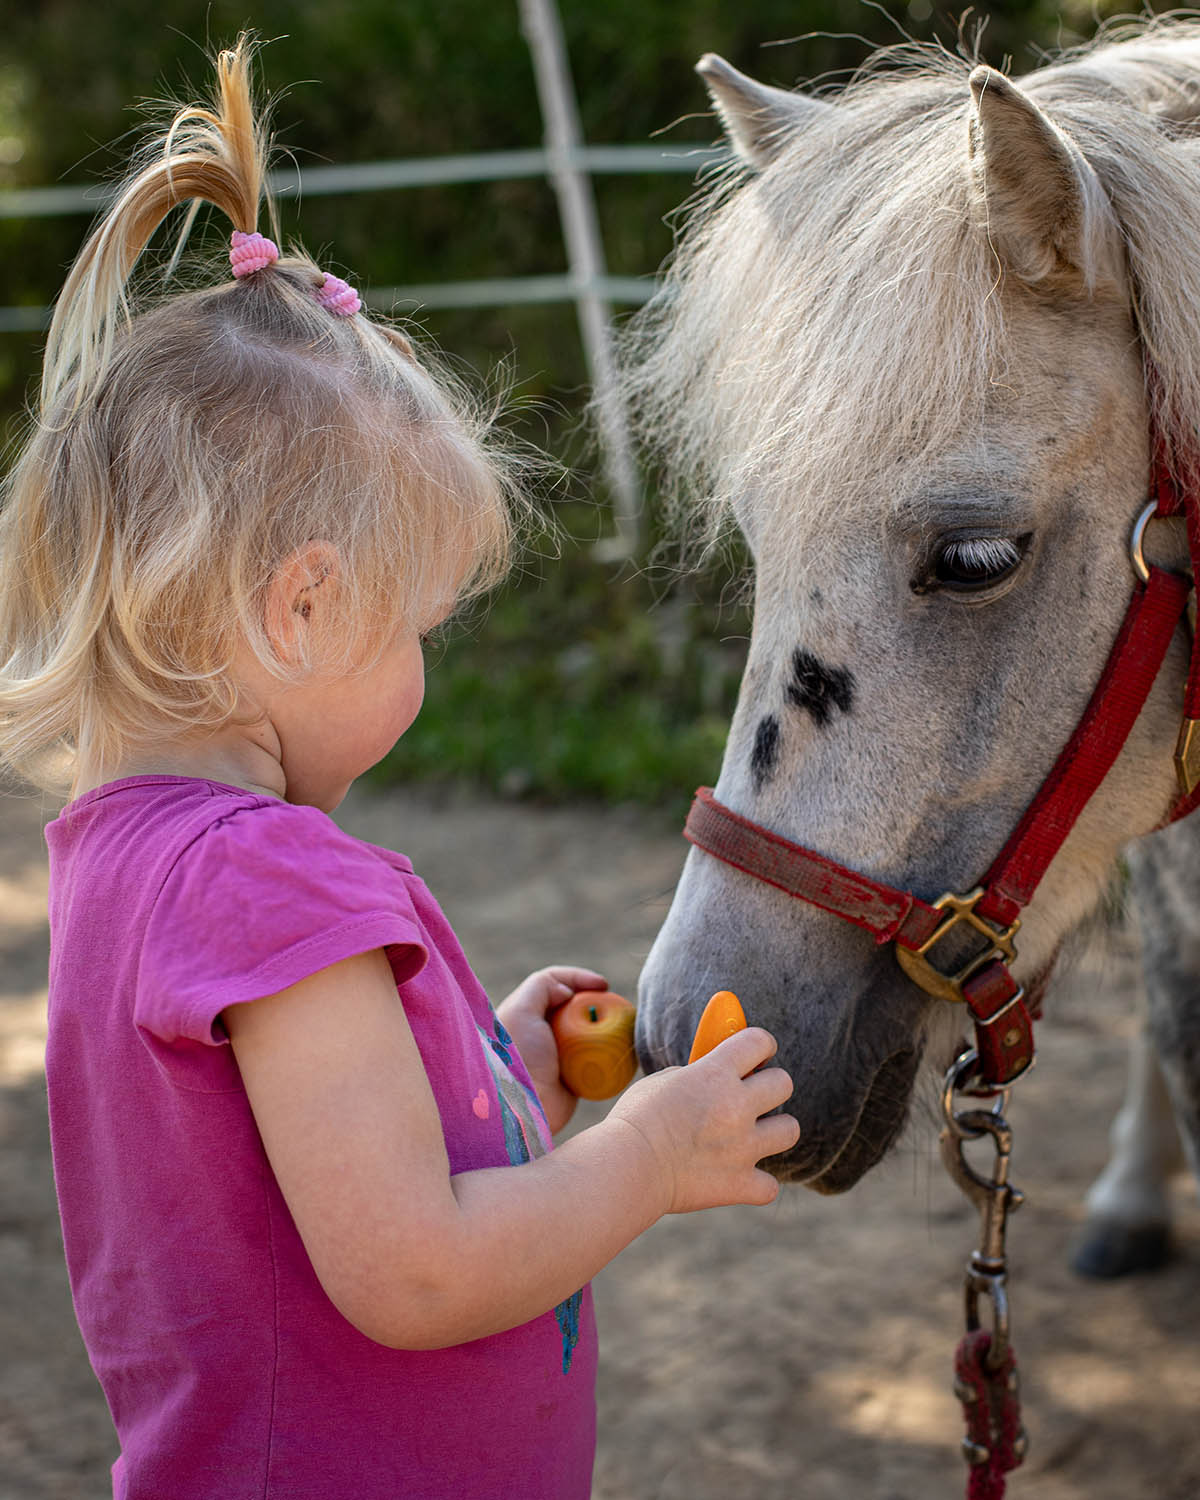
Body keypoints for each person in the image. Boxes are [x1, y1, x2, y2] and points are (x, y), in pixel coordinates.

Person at [0, 37, 799, 1499]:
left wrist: (508, 1077)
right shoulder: (268, 878)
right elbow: (416, 1271)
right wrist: (647, 1155)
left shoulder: (126, 857)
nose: (426, 677)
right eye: (419, 629)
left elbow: (297, 1162)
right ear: (302, 608)